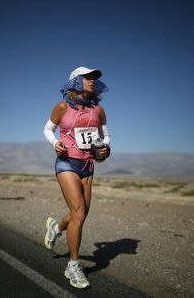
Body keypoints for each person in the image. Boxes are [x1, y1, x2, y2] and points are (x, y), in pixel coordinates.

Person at [42, 66, 111, 289]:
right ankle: (73, 265)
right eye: (88, 77)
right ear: (75, 81)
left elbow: (105, 136)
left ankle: (56, 228)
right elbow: (47, 129)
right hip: (66, 162)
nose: (92, 81)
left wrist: (105, 149)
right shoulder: (62, 107)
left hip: (88, 165)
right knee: (79, 212)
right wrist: (55, 143)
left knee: (79, 214)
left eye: (94, 78)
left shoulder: (98, 110)